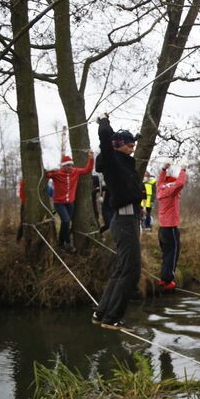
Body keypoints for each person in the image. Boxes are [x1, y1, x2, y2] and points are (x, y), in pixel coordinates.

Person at [91, 113, 143, 332]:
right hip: (124, 221)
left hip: (126, 220)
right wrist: (104, 120)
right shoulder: (112, 159)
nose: (133, 146)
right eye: (129, 143)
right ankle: (112, 318)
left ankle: (102, 313)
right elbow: (105, 135)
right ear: (119, 145)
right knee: (131, 271)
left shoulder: (123, 162)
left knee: (121, 269)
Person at [45, 151, 94, 253]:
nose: (70, 167)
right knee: (66, 220)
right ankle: (67, 243)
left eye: (71, 165)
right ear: (63, 166)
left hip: (70, 203)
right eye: (68, 165)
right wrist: (50, 170)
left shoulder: (75, 171)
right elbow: (45, 175)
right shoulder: (57, 173)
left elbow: (87, 169)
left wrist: (91, 158)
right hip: (59, 202)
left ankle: (60, 243)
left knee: (67, 222)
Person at [156, 163, 187, 291]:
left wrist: (164, 169)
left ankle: (163, 279)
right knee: (173, 254)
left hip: (162, 229)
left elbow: (160, 181)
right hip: (171, 229)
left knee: (166, 254)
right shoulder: (171, 191)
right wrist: (183, 170)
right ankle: (169, 280)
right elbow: (180, 184)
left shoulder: (160, 189)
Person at [95, 153, 114, 234]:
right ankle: (100, 233)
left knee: (112, 225)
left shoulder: (116, 182)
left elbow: (110, 187)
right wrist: (99, 189)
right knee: (109, 224)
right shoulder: (105, 180)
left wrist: (101, 188)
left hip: (114, 207)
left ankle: (102, 235)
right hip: (106, 208)